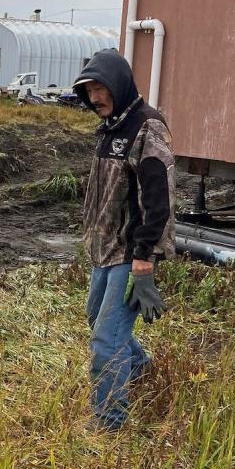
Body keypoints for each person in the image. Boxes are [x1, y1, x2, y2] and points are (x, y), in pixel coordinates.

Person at [72, 49, 176, 430]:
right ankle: (140, 368)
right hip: (104, 249)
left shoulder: (147, 127)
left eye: (101, 88)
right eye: (90, 90)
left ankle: (109, 421)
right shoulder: (110, 127)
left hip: (130, 252)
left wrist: (144, 257)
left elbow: (157, 197)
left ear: (118, 83)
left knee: (106, 340)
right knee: (95, 319)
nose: (95, 97)